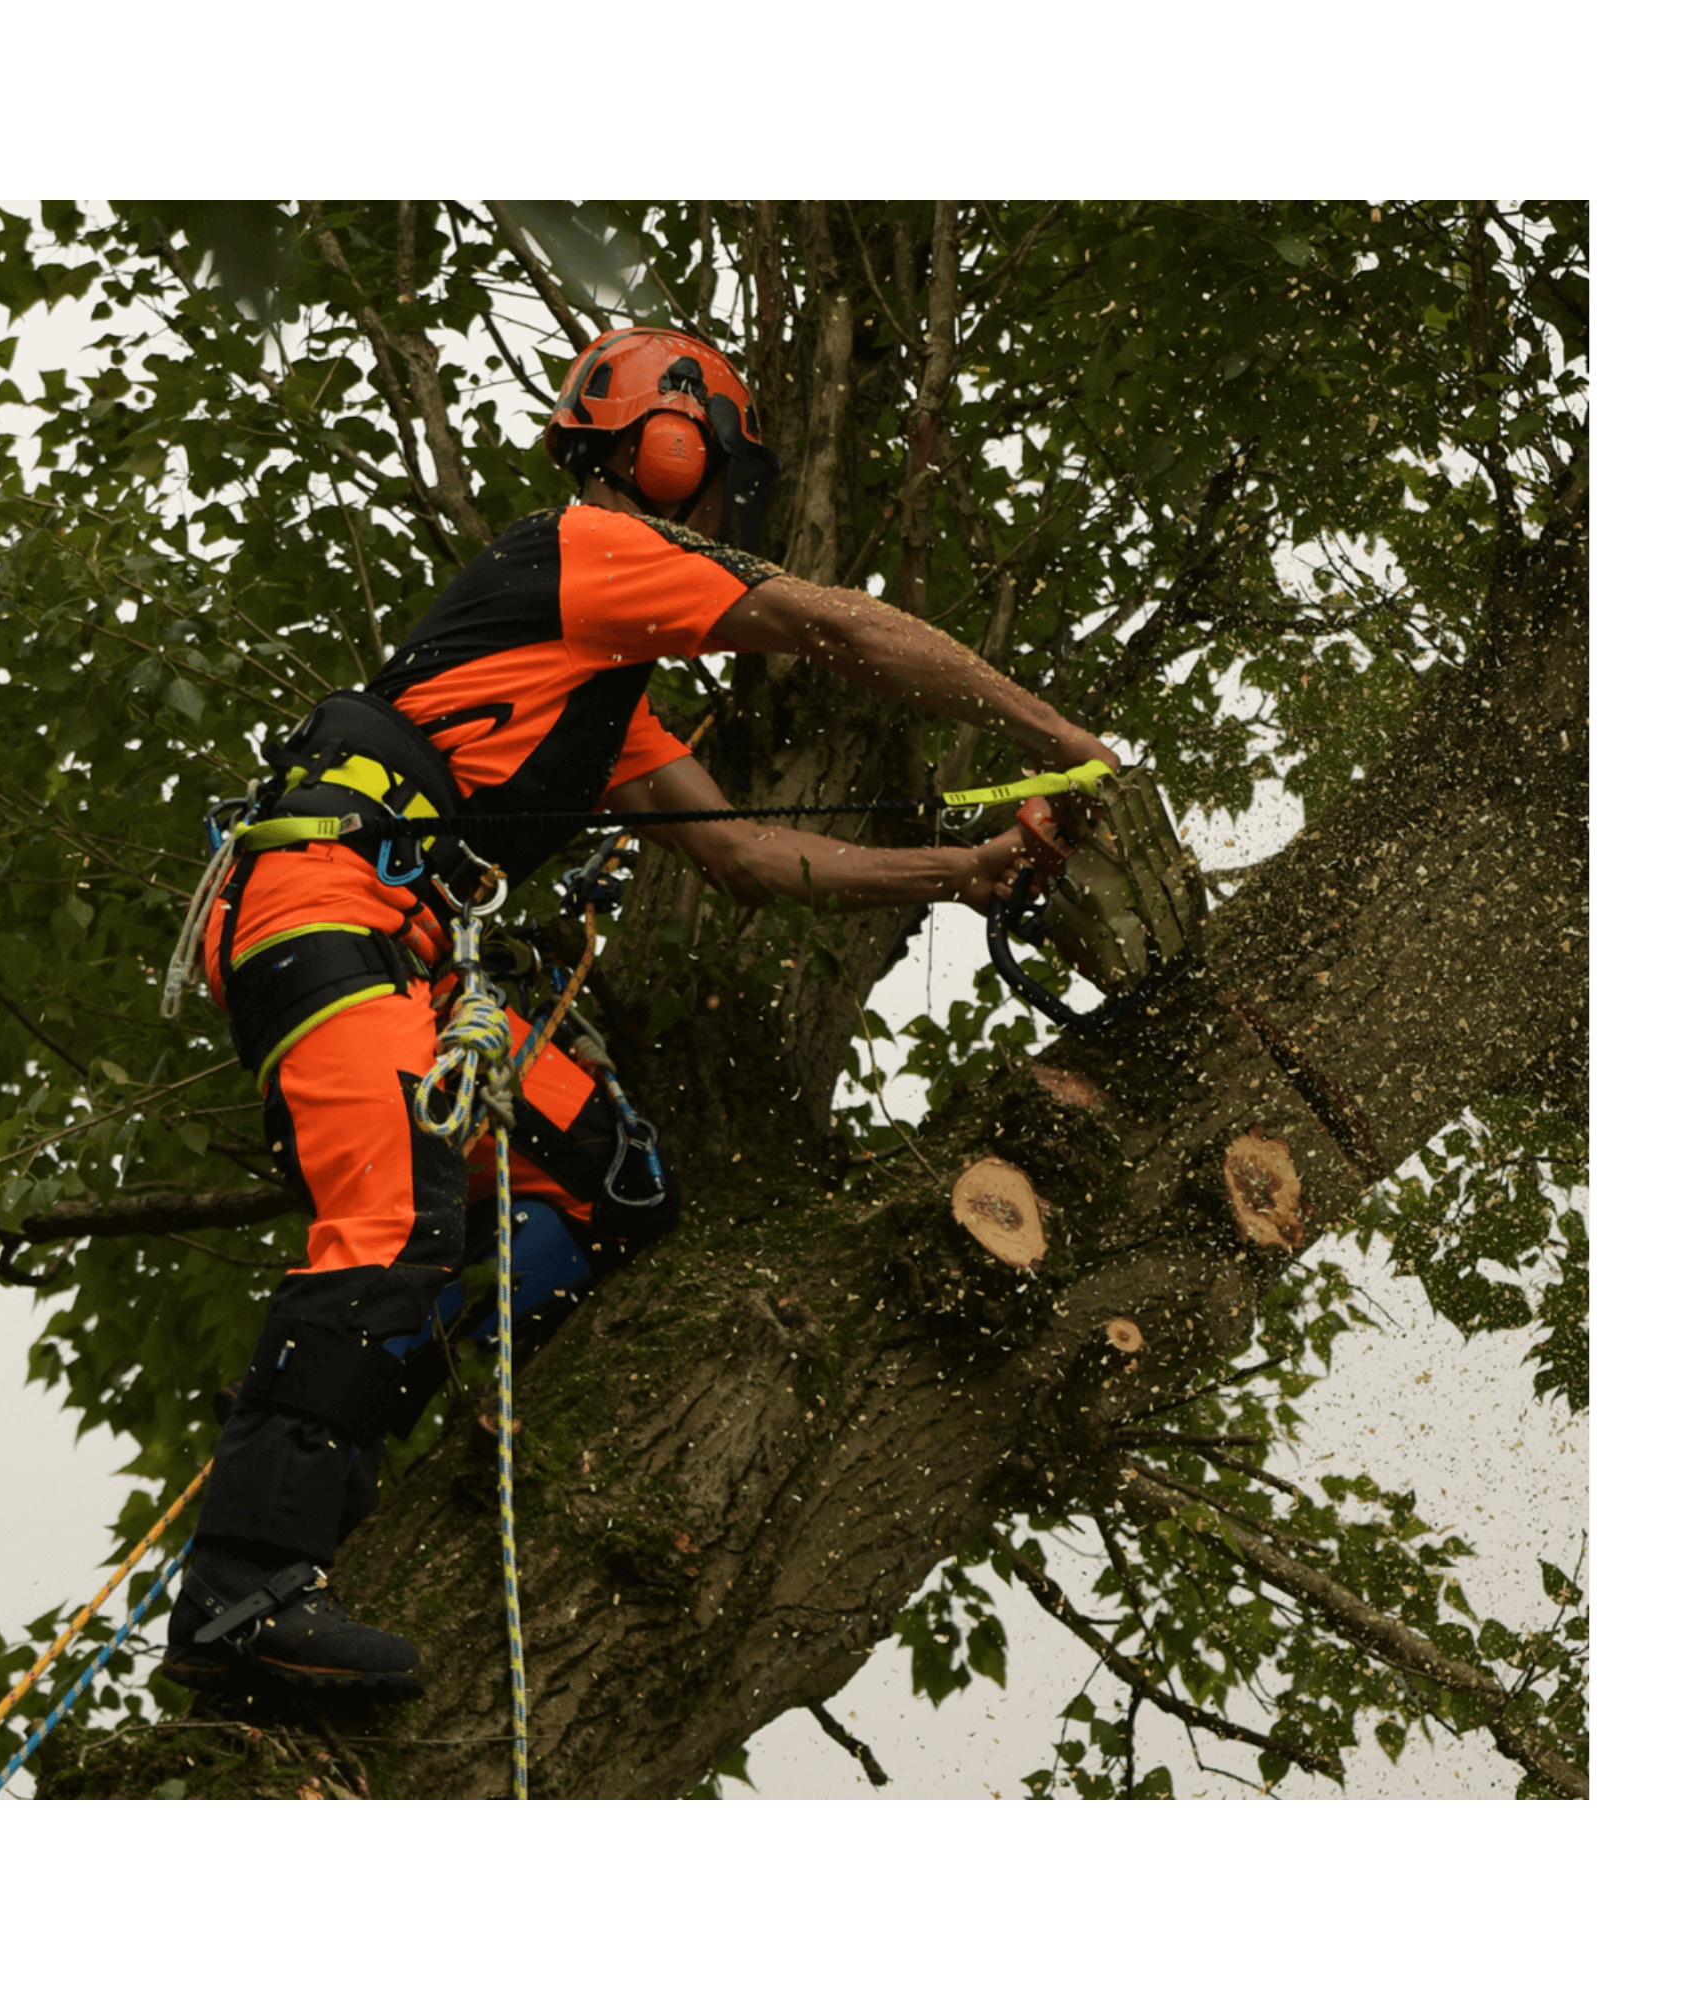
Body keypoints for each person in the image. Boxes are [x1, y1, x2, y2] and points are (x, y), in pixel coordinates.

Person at [161, 326, 1117, 1699]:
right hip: (324, 905)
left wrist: (961, 873)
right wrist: (1064, 742)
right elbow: (840, 623)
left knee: (616, 1186)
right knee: (394, 1207)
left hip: (413, 954)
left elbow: (746, 856)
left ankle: (381, 1419)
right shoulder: (588, 548)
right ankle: (239, 1595)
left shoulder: (604, 699)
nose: (724, 513)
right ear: (675, 450)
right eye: (719, 478)